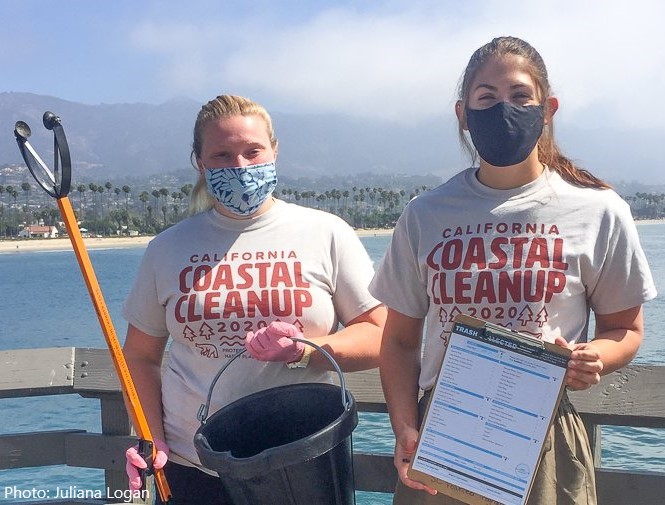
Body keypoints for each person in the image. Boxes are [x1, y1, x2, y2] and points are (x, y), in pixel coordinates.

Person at [369, 36, 657, 505]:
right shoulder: (425, 214)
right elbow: (399, 340)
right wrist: (404, 428)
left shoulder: (598, 211)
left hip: (543, 437)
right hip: (445, 437)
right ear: (463, 115)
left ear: (548, 109)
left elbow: (625, 330)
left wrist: (594, 357)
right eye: (487, 98)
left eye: (520, 95)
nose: (504, 109)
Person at [122, 94, 386, 504]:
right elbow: (139, 355)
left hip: (305, 463)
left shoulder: (326, 233)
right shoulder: (167, 249)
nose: (240, 167)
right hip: (193, 467)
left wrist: (303, 351)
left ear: (274, 151)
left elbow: (381, 335)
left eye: (252, 151)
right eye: (222, 154)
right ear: (200, 161)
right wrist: (149, 435)